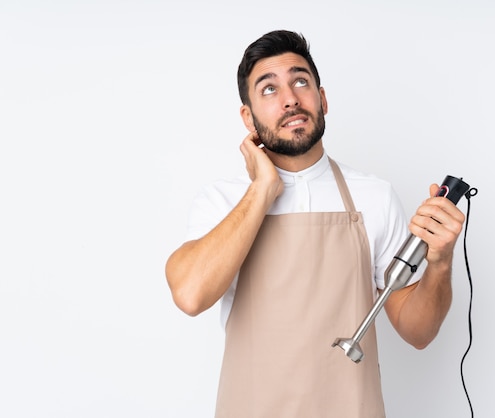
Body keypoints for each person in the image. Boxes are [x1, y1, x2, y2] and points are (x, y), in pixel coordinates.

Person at [165, 29, 465, 417]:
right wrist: (262, 189)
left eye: (300, 81)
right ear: (248, 117)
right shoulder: (223, 201)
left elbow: (419, 332)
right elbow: (190, 295)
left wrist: (440, 263)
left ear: (321, 99)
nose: (290, 99)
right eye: (269, 90)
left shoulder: (373, 195)